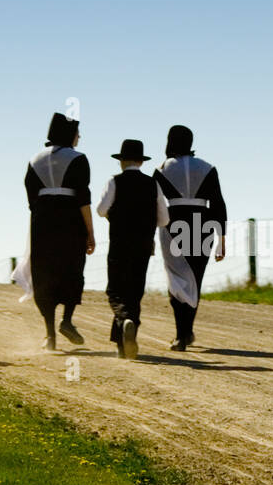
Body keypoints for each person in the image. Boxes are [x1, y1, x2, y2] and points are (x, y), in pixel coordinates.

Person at [11, 113, 95, 350]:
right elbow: (83, 197)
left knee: (44, 272)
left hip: (42, 219)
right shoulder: (79, 158)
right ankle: (67, 320)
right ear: (70, 134)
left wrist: (42, 213)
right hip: (70, 218)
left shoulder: (34, 160)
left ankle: (49, 335)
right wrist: (90, 231)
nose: (79, 136)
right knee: (72, 267)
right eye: (78, 132)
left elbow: (30, 197)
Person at [152, 125, 227, 351]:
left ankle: (180, 334)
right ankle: (187, 330)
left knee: (176, 279)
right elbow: (218, 205)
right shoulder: (208, 168)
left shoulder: (161, 169)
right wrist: (222, 239)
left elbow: (154, 204)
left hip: (173, 225)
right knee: (195, 277)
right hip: (202, 224)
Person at [96, 139, 169, 360]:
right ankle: (124, 342)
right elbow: (164, 219)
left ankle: (124, 320)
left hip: (119, 244)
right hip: (144, 245)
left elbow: (101, 210)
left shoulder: (114, 181)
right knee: (135, 291)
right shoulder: (152, 184)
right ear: (140, 161)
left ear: (122, 161)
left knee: (116, 290)